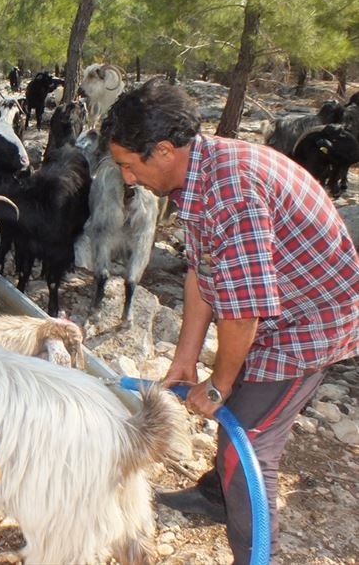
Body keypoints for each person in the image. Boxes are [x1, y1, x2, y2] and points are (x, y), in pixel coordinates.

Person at [102, 78, 359, 564]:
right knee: (239, 411)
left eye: (129, 167)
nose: (129, 180)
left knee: (249, 444)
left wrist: (218, 384)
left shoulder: (229, 192)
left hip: (308, 323)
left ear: (162, 150)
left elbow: (243, 313)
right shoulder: (196, 172)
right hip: (276, 304)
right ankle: (218, 495)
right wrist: (184, 361)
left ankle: (253, 549)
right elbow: (204, 269)